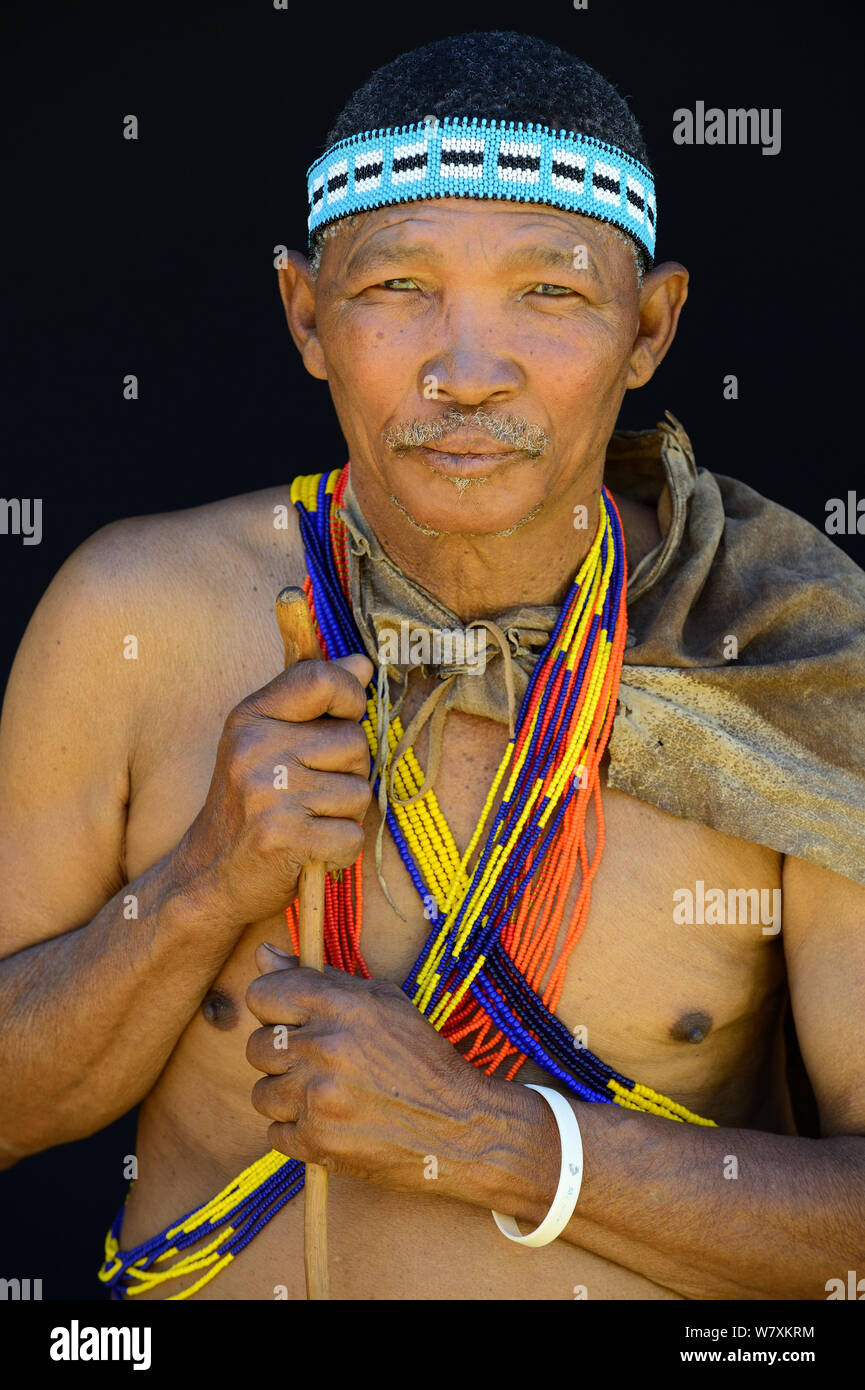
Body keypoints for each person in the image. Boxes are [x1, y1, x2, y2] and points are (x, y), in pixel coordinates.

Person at [1, 30, 863, 1302]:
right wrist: (200, 883)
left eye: (550, 293)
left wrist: (494, 1141)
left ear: (650, 325)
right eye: (398, 288)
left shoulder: (780, 654)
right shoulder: (135, 614)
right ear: (306, 314)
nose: (466, 374)